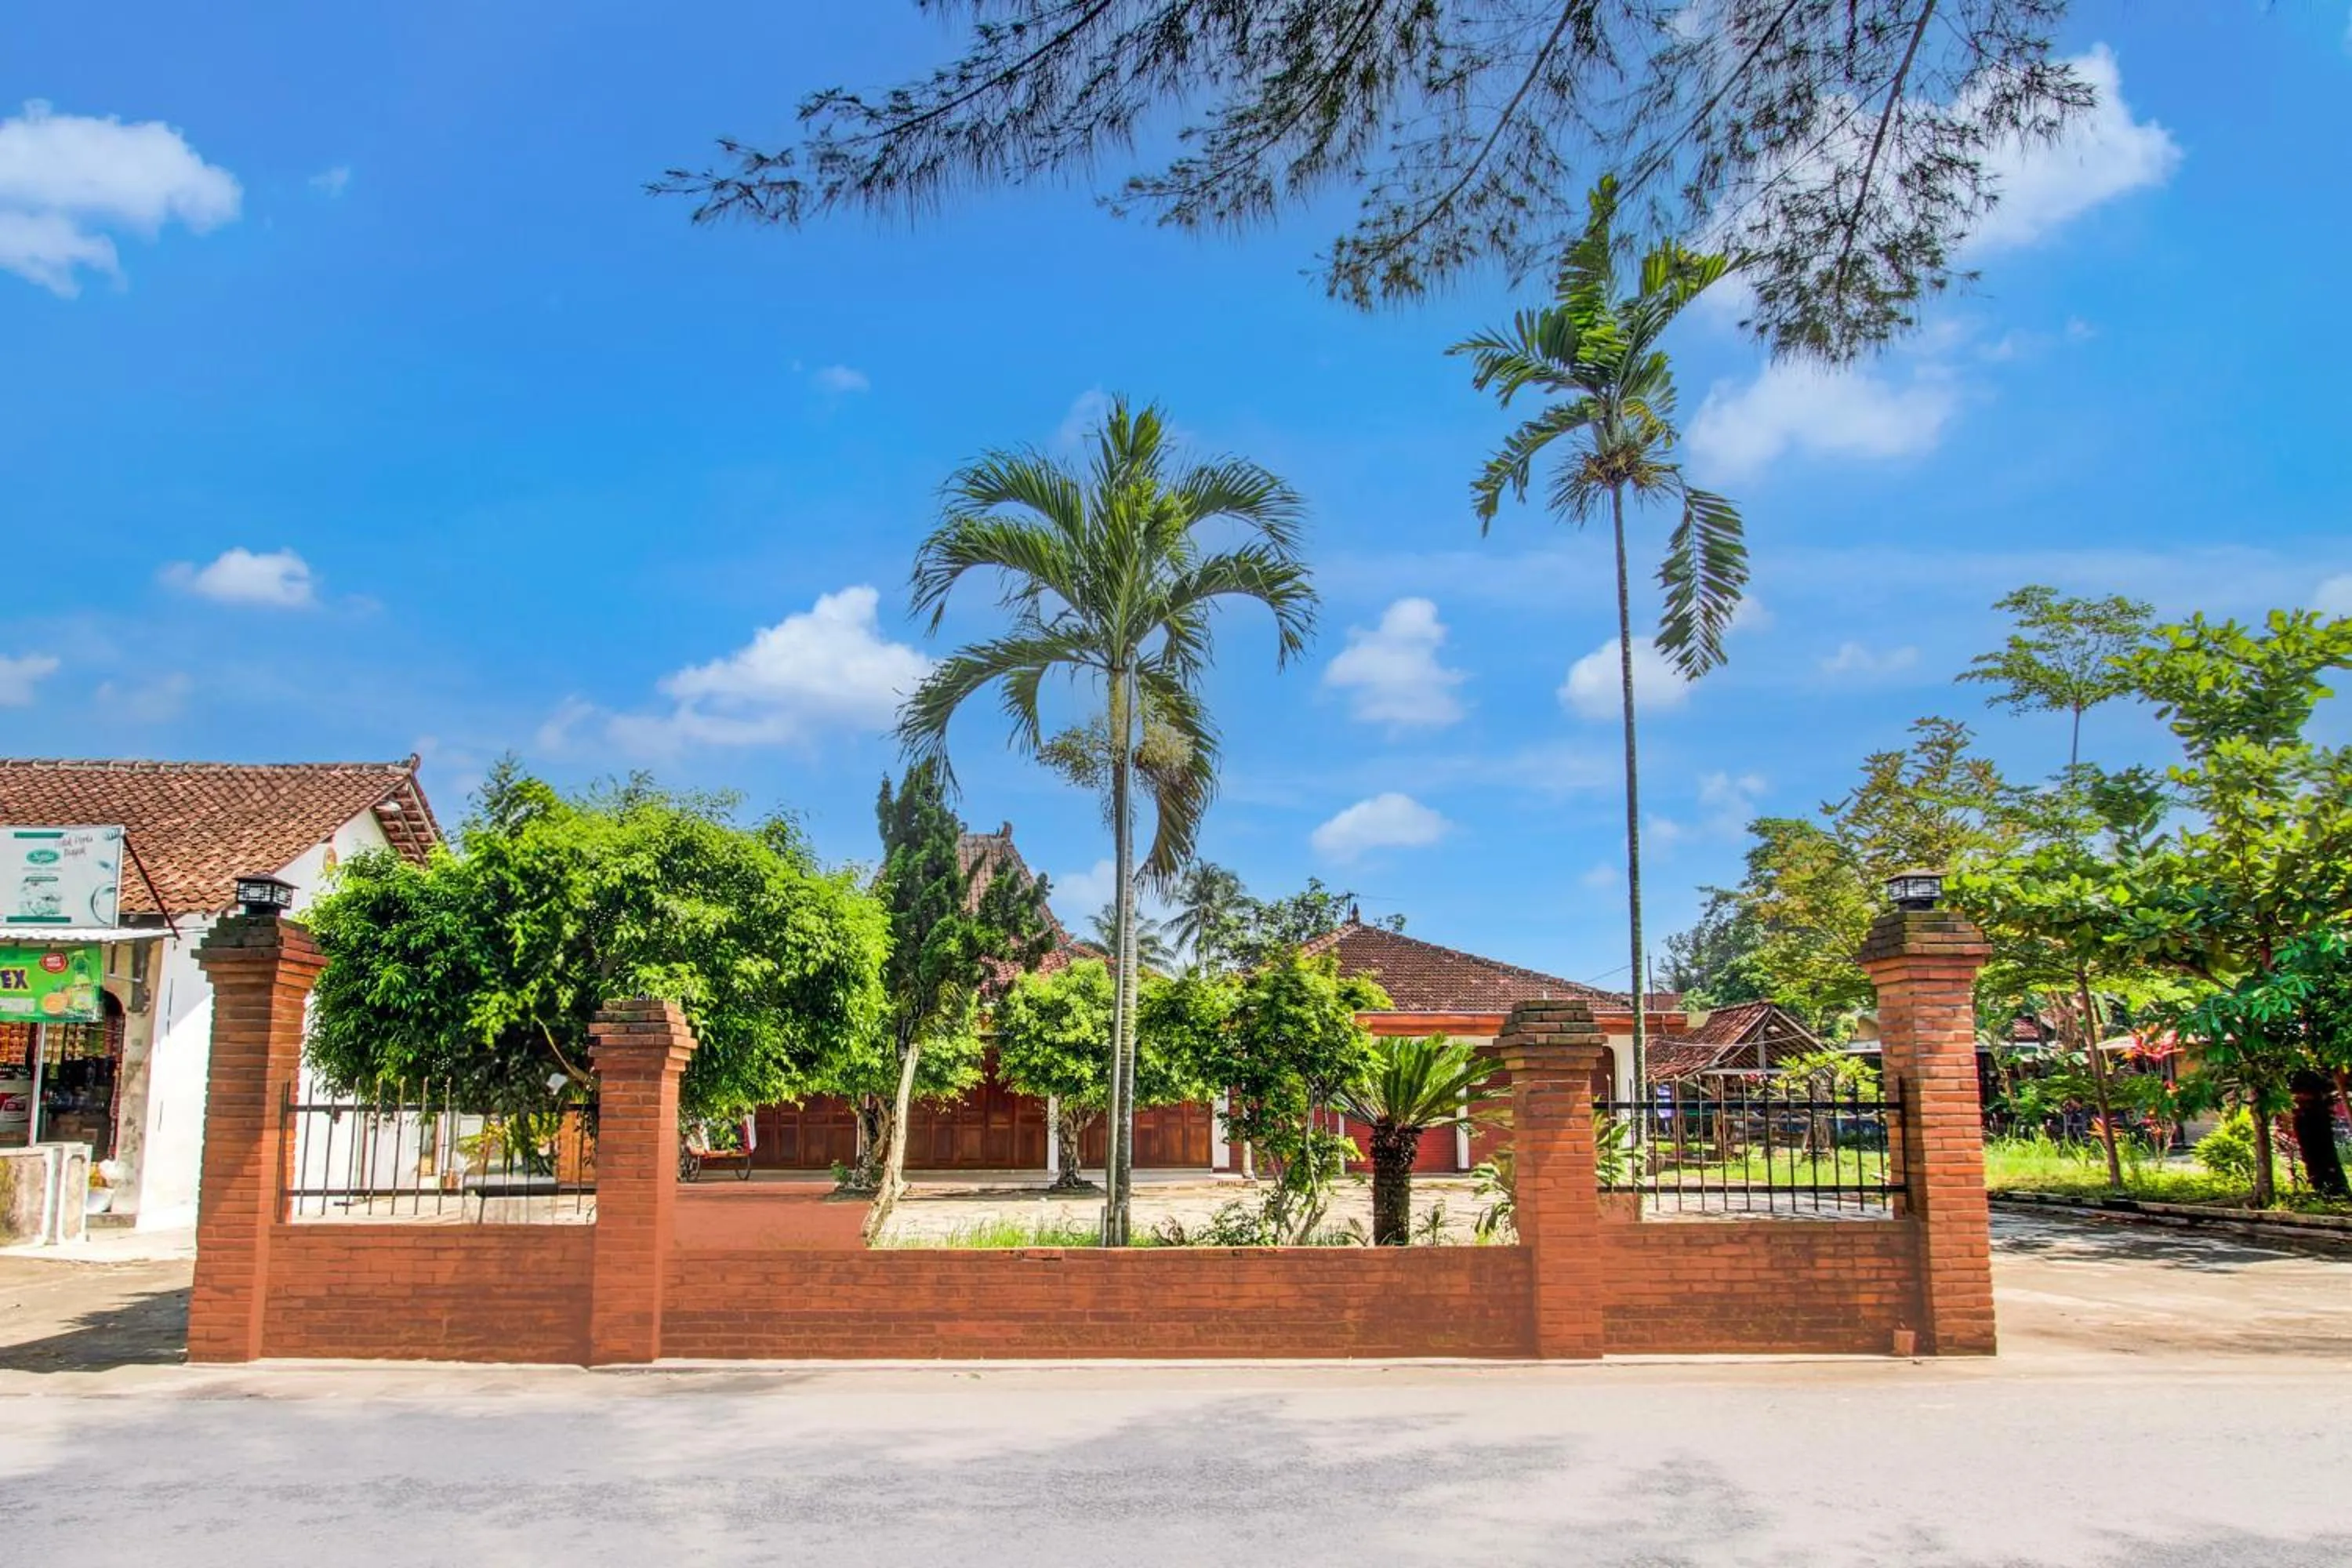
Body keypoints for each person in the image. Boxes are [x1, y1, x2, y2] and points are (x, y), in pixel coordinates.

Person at [2287, 1069, 2350, 1200]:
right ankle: (2324, 1187)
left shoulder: (2318, 1113)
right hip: (2309, 1125)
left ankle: (2333, 1188)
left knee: (2323, 1155)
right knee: (2314, 1157)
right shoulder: (2301, 1118)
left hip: (2318, 1121)